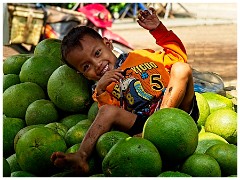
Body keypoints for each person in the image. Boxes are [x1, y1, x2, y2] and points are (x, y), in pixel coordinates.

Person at [51, 7, 199, 175]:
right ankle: (81, 155)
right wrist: (101, 88)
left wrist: (159, 29)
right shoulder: (103, 86)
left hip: (178, 114)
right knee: (107, 111)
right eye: (86, 66)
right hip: (143, 125)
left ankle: (160, 122)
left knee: (181, 68)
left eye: (97, 53)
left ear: (108, 44)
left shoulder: (141, 56)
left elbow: (178, 56)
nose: (96, 64)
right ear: (82, 74)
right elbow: (112, 113)